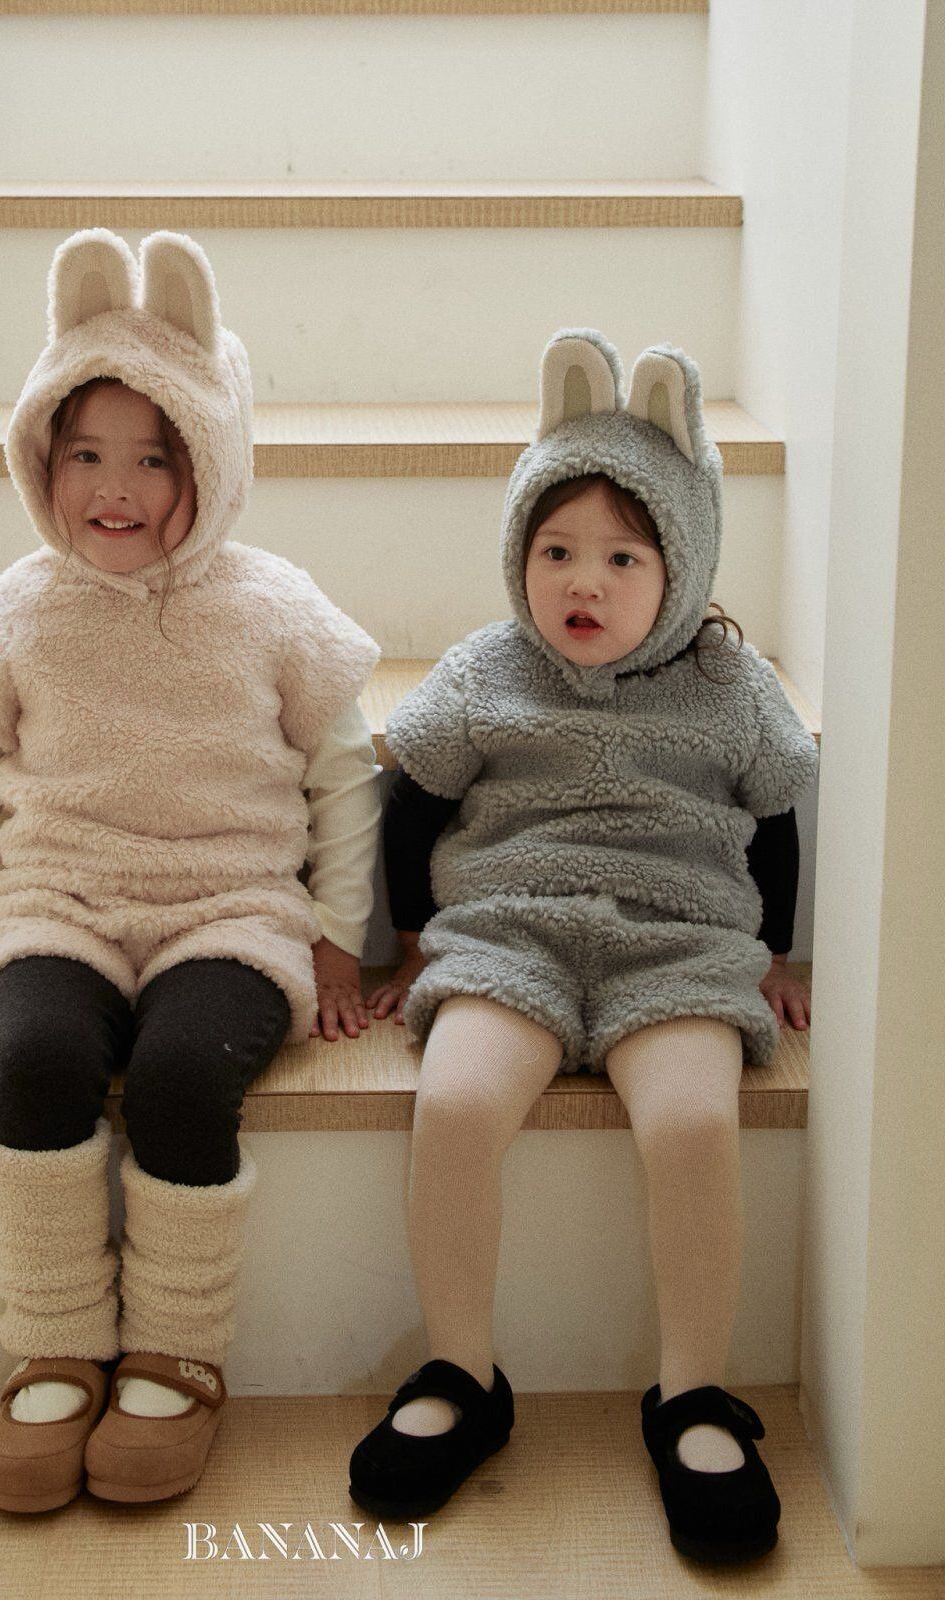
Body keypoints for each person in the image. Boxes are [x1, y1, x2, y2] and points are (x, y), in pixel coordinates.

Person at [0, 227, 382, 1513]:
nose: (115, 487)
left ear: (212, 460)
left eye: (155, 457)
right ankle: (53, 1347)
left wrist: (333, 936)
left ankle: (173, 1353)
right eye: (84, 452)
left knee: (178, 1078)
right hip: (63, 905)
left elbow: (343, 776)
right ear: (41, 458)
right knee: (34, 1062)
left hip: (230, 914)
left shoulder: (270, 605)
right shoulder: (21, 608)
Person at [348, 328, 818, 1565]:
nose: (583, 582)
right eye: (554, 550)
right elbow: (412, 799)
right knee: (455, 1106)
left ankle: (693, 1394)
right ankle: (459, 1371)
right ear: (518, 554)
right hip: (510, 930)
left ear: (683, 563)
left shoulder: (727, 683)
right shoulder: (486, 669)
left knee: (692, 1125)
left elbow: (773, 816)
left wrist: (771, 954)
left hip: (678, 944)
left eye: (622, 557)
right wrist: (410, 942)